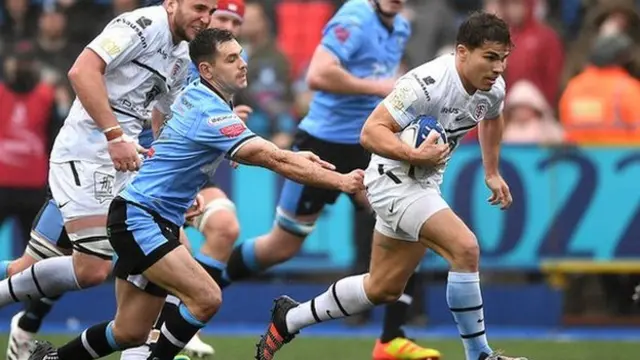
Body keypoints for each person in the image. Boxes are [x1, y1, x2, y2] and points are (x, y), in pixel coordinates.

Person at [28, 27, 365, 360]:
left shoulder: (199, 96)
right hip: (140, 219)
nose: (242, 63)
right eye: (231, 59)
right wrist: (341, 181)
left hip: (145, 216)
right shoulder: (209, 112)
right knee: (206, 298)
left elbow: (205, 137)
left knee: (129, 331)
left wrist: (286, 154)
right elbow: (272, 158)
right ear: (206, 69)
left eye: (241, 55)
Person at [254, 12, 528, 360]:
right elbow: (370, 132)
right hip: (391, 181)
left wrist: (491, 171)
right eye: (490, 57)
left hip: (424, 183)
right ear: (462, 52)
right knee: (465, 249)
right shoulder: (425, 83)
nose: (498, 67)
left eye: (503, 58)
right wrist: (412, 152)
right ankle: (480, 354)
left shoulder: (493, 88)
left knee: (382, 287)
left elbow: (492, 115)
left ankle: (289, 318)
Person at [217, 1, 439, 358]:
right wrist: (377, 86)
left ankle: (391, 338)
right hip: (325, 143)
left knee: (410, 222)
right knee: (281, 246)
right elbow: (318, 75)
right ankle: (205, 284)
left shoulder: (399, 27)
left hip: (370, 142)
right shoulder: (355, 16)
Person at [0, 0, 215, 348]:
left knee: (171, 246)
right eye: (198, 7)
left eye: (211, 12)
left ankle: (141, 346)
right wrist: (115, 136)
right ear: (171, 3)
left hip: (124, 163)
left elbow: (164, 116)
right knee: (92, 270)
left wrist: (175, 179)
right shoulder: (141, 26)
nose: (205, 18)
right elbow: (81, 71)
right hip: (86, 155)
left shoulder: (181, 53)